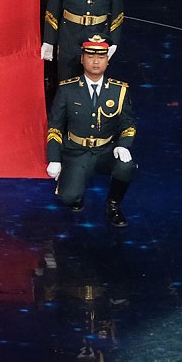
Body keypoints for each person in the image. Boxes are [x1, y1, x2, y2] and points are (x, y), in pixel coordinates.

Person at [46, 36, 136, 225]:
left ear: (107, 60)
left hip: (105, 150)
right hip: (76, 151)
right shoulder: (67, 89)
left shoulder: (119, 90)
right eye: (90, 56)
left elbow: (128, 124)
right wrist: (54, 158)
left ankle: (113, 205)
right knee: (69, 198)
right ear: (82, 59)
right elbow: (55, 126)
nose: (96, 61)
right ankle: (74, 188)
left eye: (101, 57)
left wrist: (123, 145)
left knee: (126, 166)